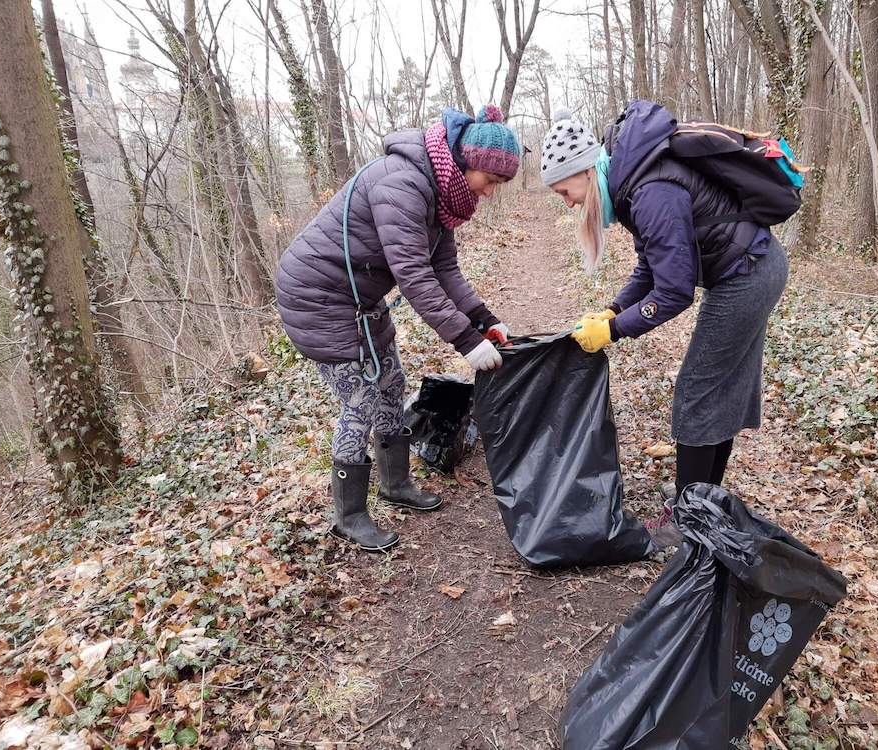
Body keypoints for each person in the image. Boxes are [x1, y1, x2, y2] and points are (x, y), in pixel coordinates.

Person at [276, 104, 520, 553]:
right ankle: (348, 516)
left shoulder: (442, 195)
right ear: (468, 164)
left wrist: (483, 319)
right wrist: (466, 342)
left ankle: (396, 484)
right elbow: (414, 276)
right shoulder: (403, 183)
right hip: (317, 298)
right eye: (491, 182)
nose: (489, 193)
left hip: (359, 299)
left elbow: (444, 268)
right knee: (361, 402)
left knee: (391, 384)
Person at [540, 101, 789, 504]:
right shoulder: (632, 181)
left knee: (698, 392)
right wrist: (614, 309)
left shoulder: (649, 191)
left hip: (748, 276)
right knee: (716, 391)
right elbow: (650, 266)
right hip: (751, 267)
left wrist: (615, 330)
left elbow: (674, 292)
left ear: (586, 171)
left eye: (565, 191)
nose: (567, 203)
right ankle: (703, 499)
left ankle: (689, 514)